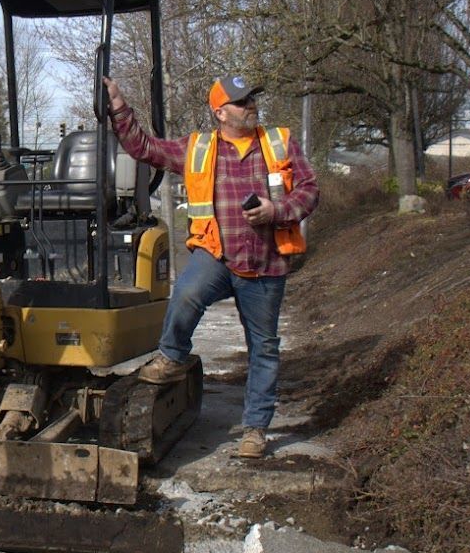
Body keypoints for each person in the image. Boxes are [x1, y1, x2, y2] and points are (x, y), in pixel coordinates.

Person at [103, 74, 318, 459]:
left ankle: (254, 429)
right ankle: (172, 355)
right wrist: (119, 107)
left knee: (263, 348)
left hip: (265, 263)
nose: (250, 106)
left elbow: (309, 189)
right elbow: (143, 147)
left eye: (251, 100)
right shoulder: (198, 149)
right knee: (185, 293)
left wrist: (277, 210)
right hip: (216, 255)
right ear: (220, 112)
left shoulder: (279, 142)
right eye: (241, 102)